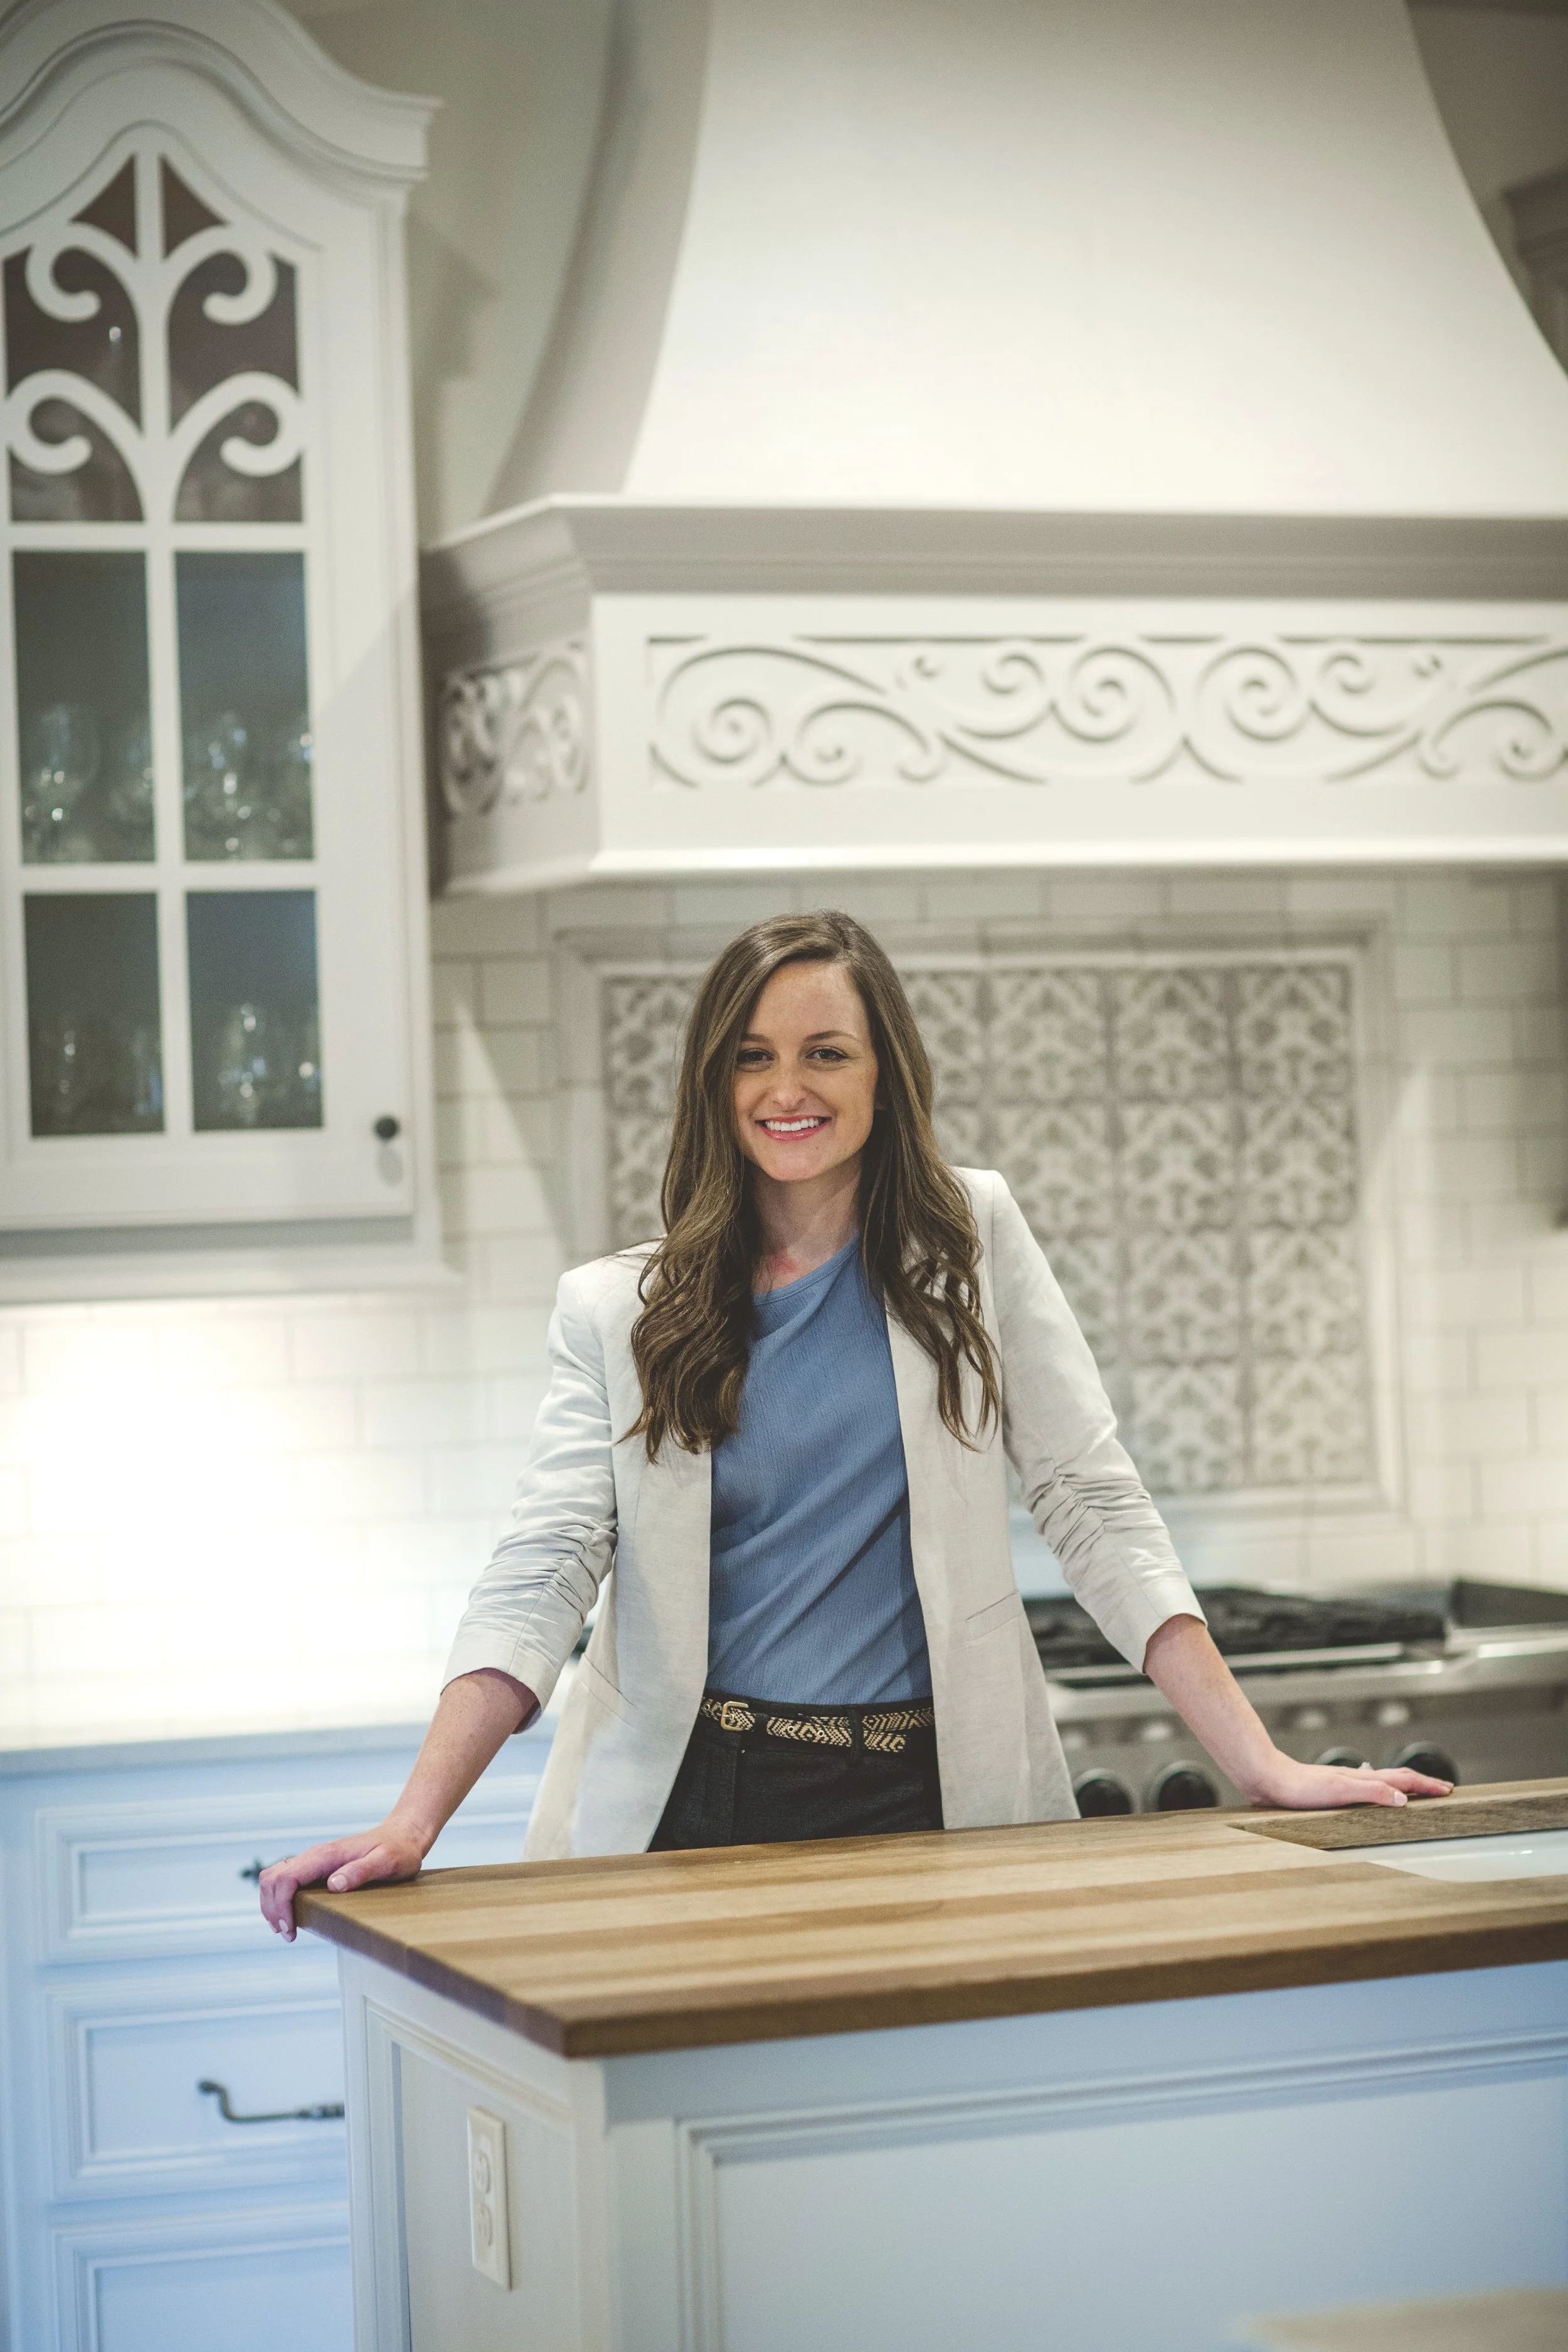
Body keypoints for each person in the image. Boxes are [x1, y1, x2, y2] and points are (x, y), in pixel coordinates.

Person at [262, 911, 1449, 1938]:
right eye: (755, 1057)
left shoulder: (971, 1240)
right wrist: (414, 1820)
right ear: (714, 1084)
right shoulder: (619, 1311)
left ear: (884, 1075)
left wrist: (1265, 1764)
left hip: (936, 1793)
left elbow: (1090, 1499)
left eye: (827, 1052)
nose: (790, 1089)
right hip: (699, 1798)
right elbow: (543, 1571)